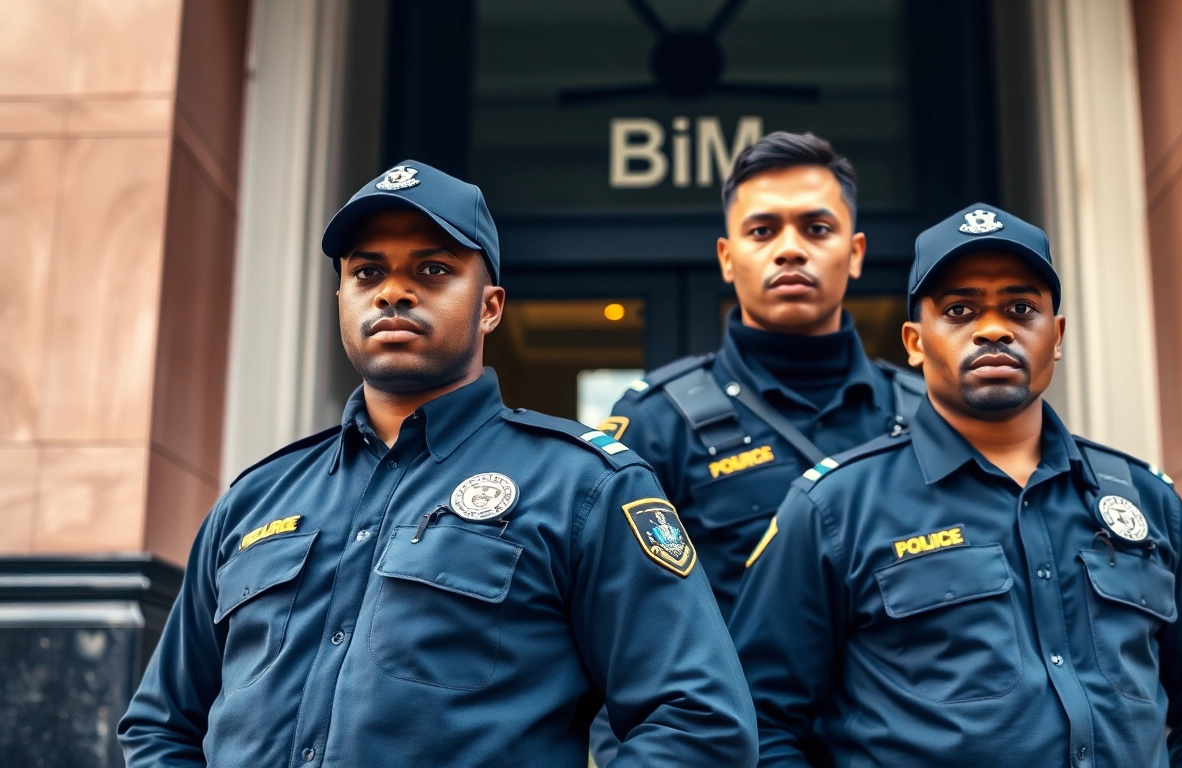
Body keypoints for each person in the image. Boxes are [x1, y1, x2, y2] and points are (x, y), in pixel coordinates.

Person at [117, 161, 757, 767]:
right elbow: (161, 725)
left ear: (489, 307)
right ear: (340, 296)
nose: (394, 292)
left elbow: (699, 722)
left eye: (431, 270)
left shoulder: (584, 488)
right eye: (368, 273)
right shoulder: (256, 499)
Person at [730, 203, 1182, 767]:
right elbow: (758, 718)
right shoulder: (834, 509)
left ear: (1057, 335)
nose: (993, 329)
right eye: (960, 309)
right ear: (915, 342)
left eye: (1021, 308)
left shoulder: (1145, 499)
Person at [590, 130, 923, 765]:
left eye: (817, 229)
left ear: (854, 254)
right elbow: (621, 642)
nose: (791, 250)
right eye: (763, 230)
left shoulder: (926, 415)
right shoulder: (658, 421)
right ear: (726, 255)